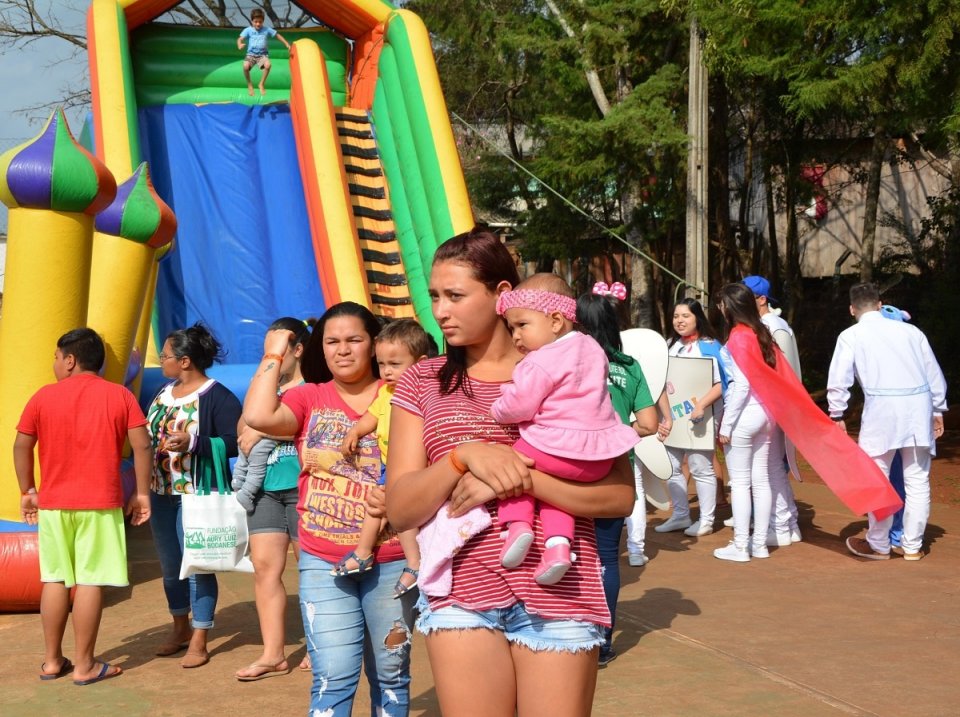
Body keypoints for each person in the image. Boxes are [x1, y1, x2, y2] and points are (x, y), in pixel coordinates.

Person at [384, 227, 636, 717]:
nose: (439, 311)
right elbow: (400, 508)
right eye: (434, 296)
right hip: (461, 594)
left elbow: (618, 498)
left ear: (502, 295)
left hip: (562, 591)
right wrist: (463, 457)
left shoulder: (573, 367)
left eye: (455, 296)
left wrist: (522, 477)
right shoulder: (423, 380)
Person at [243, 301, 414, 715]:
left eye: (354, 340)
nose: (342, 350)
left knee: (391, 675)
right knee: (333, 674)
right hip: (322, 560)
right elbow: (257, 414)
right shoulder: (308, 397)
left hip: (391, 561)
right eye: (332, 341)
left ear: (374, 344)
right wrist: (273, 354)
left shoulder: (402, 394)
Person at [14, 328, 152, 685]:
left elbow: (21, 445)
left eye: (57, 358)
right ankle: (85, 664)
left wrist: (28, 490)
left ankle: (50, 661)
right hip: (100, 503)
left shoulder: (43, 397)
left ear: (71, 360)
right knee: (91, 581)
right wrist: (141, 493)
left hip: (54, 503)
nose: (55, 364)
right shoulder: (119, 395)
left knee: (55, 578)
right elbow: (142, 446)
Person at [487, 273, 640, 586]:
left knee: (510, 465)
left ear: (556, 321)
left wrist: (497, 406)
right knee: (557, 496)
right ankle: (558, 547)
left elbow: (520, 406)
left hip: (553, 448)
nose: (515, 336)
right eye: (511, 328)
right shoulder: (593, 349)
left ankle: (518, 526)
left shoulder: (539, 360)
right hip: (598, 459)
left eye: (521, 325)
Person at [828, 283, 947, 561]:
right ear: (880, 305)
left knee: (877, 478)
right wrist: (938, 409)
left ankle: (879, 543)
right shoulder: (911, 331)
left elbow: (839, 379)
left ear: (851, 309)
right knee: (917, 479)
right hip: (918, 407)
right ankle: (912, 545)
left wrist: (837, 414)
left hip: (883, 410)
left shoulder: (851, 335)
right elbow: (933, 372)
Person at [147, 323, 242, 668]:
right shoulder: (163, 392)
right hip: (161, 493)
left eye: (167, 356)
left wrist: (194, 443)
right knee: (171, 568)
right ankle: (180, 628)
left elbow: (235, 440)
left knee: (198, 565)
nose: (162, 361)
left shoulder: (217, 396)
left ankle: (200, 637)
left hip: (197, 495)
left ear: (185, 361)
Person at [576, 290, 658, 667]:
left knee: (570, 553)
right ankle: (603, 643)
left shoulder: (570, 363)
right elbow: (649, 424)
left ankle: (572, 635)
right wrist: (619, 433)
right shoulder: (630, 366)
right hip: (616, 470)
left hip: (571, 471)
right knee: (608, 558)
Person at [233, 317, 311, 681]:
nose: (271, 357)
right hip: (265, 489)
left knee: (311, 569)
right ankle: (273, 654)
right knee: (265, 568)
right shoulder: (263, 386)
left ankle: (319, 644)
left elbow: (312, 428)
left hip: (303, 486)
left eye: (277, 349)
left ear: (296, 350)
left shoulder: (314, 387)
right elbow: (243, 428)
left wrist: (270, 432)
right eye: (267, 350)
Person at [336, 318, 430, 598]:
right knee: (377, 505)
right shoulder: (385, 391)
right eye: (382, 364)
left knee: (398, 509)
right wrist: (354, 431)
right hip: (391, 462)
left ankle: (412, 562)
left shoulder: (425, 392)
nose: (386, 372)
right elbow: (372, 416)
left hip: (414, 461)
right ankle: (365, 553)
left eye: (395, 364)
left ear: (421, 363)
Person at [714, 283, 778, 562]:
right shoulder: (760, 332)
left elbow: (740, 385)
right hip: (766, 414)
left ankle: (741, 546)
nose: (720, 308)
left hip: (744, 415)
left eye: (722, 303)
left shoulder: (738, 336)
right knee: (761, 481)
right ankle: (760, 544)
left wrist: (726, 425)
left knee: (740, 483)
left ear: (730, 307)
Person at [655, 298, 727, 537]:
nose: (679, 321)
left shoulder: (711, 346)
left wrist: (702, 406)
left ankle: (706, 520)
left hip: (703, 416)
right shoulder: (669, 346)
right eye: (676, 316)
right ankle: (681, 515)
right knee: (671, 465)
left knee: (700, 466)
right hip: (673, 417)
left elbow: (722, 384)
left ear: (698, 318)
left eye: (685, 316)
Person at [742, 275, 802, 547]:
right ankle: (788, 524)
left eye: (747, 297)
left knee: (769, 469)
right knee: (773, 467)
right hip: (782, 405)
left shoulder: (767, 326)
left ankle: (781, 525)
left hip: (774, 405)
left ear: (761, 299)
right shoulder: (779, 324)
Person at [237, 8, 291, 97]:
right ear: (252, 21)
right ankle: (250, 84)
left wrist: (286, 43)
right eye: (255, 21)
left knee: (268, 65)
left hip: (262, 56)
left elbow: (277, 35)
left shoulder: (266, 29)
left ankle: (261, 83)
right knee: (245, 66)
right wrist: (239, 44)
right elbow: (240, 38)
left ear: (263, 21)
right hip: (251, 55)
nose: (258, 24)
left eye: (260, 22)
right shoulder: (248, 30)